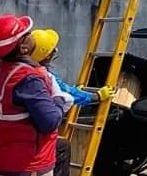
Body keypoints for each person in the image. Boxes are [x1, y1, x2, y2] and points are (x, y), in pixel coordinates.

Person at [0, 15, 69, 176]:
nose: (32, 35)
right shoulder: (28, 79)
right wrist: (59, 100)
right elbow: (50, 122)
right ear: (23, 48)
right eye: (27, 34)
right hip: (27, 166)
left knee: (63, 147)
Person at [29, 29, 115, 176]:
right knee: (63, 147)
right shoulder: (45, 76)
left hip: (26, 131)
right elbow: (66, 93)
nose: (55, 50)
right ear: (47, 55)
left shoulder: (24, 69)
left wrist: (76, 91)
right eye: (52, 49)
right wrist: (96, 96)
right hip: (36, 135)